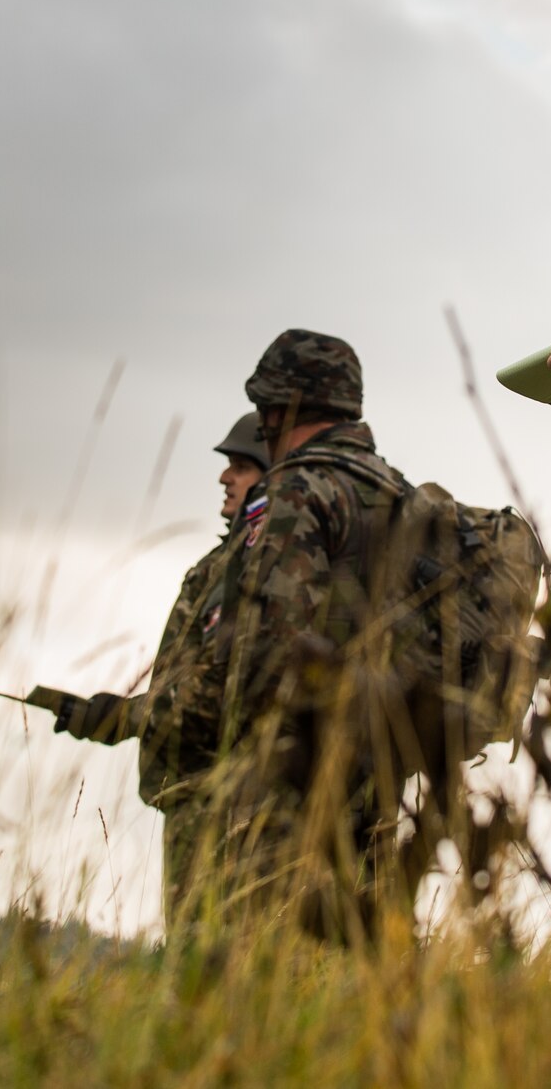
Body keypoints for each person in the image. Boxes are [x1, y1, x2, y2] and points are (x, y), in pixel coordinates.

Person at [202, 328, 412, 942]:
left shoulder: (296, 488)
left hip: (294, 775)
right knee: (358, 952)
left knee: (266, 958)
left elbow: (272, 641)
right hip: (378, 766)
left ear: (282, 409)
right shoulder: (396, 490)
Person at [48, 413, 271, 918]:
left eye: (240, 466)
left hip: (228, 808)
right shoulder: (224, 563)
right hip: (199, 803)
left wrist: (116, 717)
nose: (224, 477)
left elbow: (219, 691)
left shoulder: (260, 565)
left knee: (212, 967)